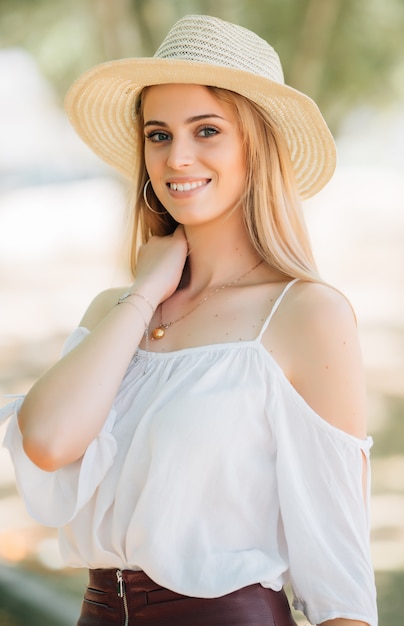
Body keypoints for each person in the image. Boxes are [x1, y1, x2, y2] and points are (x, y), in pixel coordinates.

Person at [0, 14, 377, 626]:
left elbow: (341, 575)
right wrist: (146, 291)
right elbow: (46, 443)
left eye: (206, 130)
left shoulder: (306, 315)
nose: (178, 158)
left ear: (255, 143)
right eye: (158, 134)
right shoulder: (115, 311)